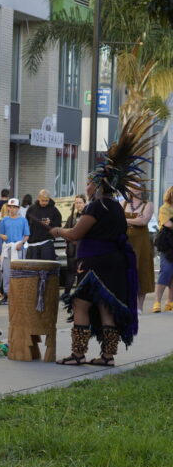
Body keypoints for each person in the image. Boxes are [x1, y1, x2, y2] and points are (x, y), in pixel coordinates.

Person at [50, 114, 150, 366]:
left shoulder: (95, 207)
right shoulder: (116, 207)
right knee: (106, 308)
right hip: (112, 263)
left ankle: (78, 354)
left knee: (81, 304)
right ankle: (107, 356)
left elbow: (74, 234)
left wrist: (57, 231)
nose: (86, 186)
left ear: (98, 185)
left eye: (89, 183)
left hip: (94, 264)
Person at [123, 184, 154, 313]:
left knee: (142, 270)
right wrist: (133, 219)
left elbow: (143, 221)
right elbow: (117, 219)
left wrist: (126, 220)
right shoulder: (123, 203)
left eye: (136, 187)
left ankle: (139, 306)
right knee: (126, 270)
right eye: (131, 187)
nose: (133, 189)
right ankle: (128, 303)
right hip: (126, 242)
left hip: (141, 243)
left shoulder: (148, 205)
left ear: (142, 190)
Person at [0, 198, 29, 305]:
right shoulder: (4, 220)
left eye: (15, 207)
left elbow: (26, 235)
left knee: (19, 272)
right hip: (8, 248)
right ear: (8, 207)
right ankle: (6, 294)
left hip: (18, 248)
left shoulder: (23, 220)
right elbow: (0, 235)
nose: (12, 209)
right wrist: (3, 237)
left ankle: (19, 295)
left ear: (18, 208)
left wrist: (21, 243)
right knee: (6, 272)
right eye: (10, 207)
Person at [24, 189, 62, 260]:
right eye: (42, 200)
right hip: (33, 243)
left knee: (47, 267)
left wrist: (50, 223)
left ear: (49, 199)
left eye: (46, 201)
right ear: (38, 198)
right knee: (33, 269)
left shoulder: (54, 210)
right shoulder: (31, 209)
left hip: (47, 241)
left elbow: (59, 225)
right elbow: (26, 224)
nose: (44, 202)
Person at [62, 194, 87, 298]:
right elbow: (64, 231)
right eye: (76, 202)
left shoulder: (87, 217)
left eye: (80, 202)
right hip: (72, 249)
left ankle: (80, 293)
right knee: (71, 272)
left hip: (83, 249)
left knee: (82, 272)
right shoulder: (71, 217)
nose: (78, 204)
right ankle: (66, 293)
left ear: (85, 203)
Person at [154, 186, 173, 313]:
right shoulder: (164, 207)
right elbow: (168, 224)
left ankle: (170, 301)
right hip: (168, 243)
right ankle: (157, 301)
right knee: (166, 271)